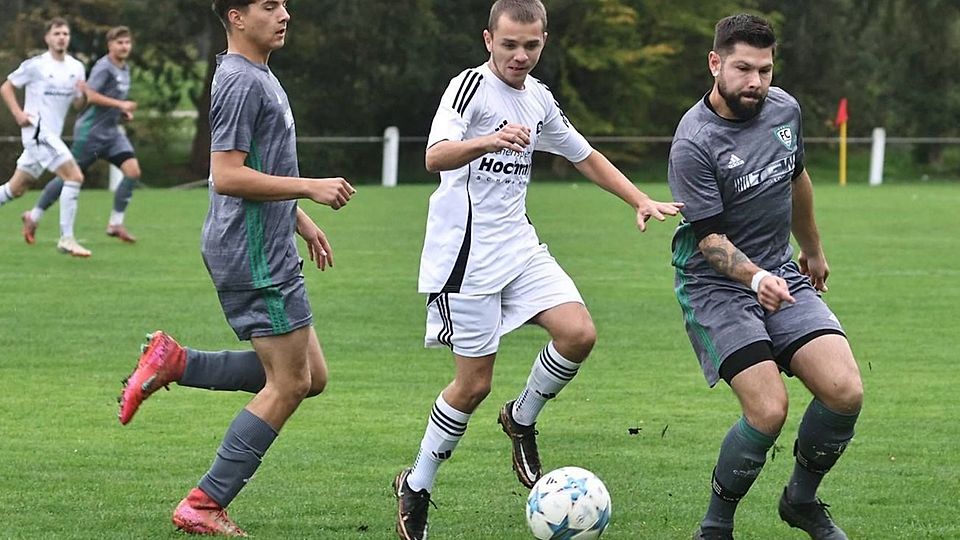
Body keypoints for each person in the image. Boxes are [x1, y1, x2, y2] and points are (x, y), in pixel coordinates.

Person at [392, 2, 682, 538]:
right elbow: (434, 156)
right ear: (488, 40)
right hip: (466, 260)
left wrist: (637, 198)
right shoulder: (468, 89)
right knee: (472, 385)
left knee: (578, 333)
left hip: (519, 248)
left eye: (531, 45)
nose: (520, 55)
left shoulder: (540, 97)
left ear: (543, 41)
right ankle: (417, 483)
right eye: (509, 44)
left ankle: (521, 418)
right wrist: (488, 140)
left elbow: (583, 154)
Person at [116, 0, 356, 536]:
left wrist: (299, 220)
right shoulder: (240, 81)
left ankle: (175, 361)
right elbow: (227, 174)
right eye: (270, 5)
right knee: (290, 382)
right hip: (251, 253)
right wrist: (308, 188)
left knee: (310, 376)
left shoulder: (257, 75)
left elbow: (260, 167)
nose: (285, 13)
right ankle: (204, 501)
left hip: (264, 242)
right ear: (236, 17)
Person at [666, 14, 864, 540]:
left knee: (844, 390)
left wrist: (813, 250)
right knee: (769, 409)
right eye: (743, 69)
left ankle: (800, 500)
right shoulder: (694, 142)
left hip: (780, 271)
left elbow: (796, 179)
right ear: (715, 64)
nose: (755, 82)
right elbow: (709, 241)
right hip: (716, 287)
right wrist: (754, 280)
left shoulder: (785, 110)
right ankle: (715, 526)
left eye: (765, 70)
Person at [22, 25, 141, 245]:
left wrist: (121, 112)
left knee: (132, 172)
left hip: (112, 133)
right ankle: (34, 215)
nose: (124, 47)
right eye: (119, 43)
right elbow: (90, 95)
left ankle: (115, 223)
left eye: (127, 42)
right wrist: (120, 103)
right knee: (70, 176)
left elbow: (110, 100)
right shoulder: (104, 67)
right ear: (110, 45)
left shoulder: (124, 69)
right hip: (91, 133)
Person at [0, 17, 91, 256]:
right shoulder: (36, 65)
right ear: (47, 38)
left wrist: (83, 97)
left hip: (51, 137)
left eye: (65, 34)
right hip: (37, 133)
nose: (62, 37)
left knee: (15, 189)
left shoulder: (76, 68)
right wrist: (18, 114)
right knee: (74, 176)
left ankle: (64, 236)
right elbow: (6, 87)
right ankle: (67, 238)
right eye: (57, 33)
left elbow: (78, 105)